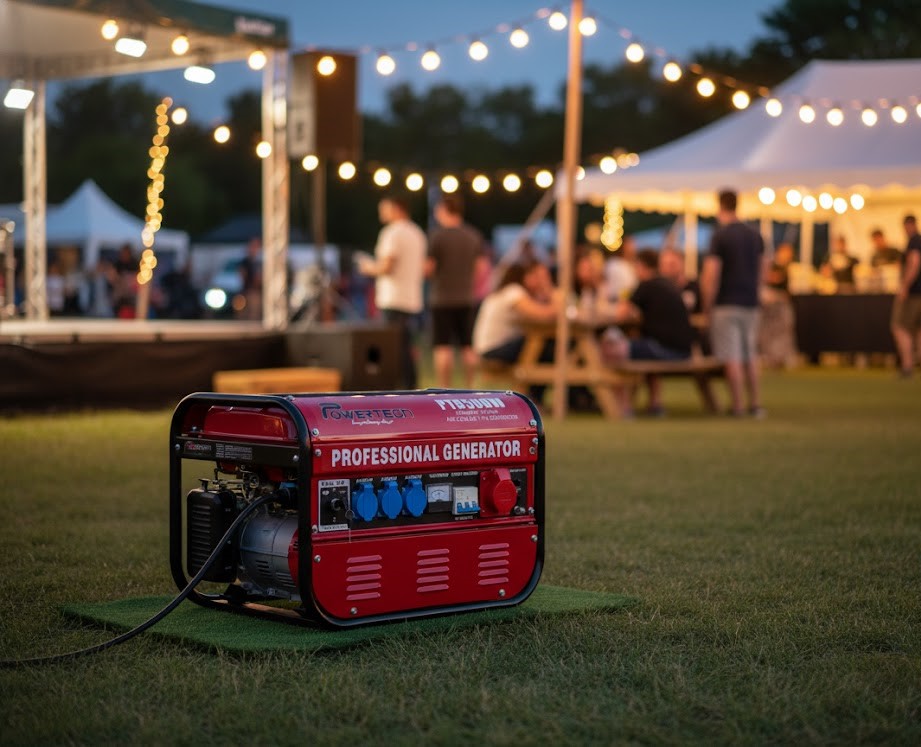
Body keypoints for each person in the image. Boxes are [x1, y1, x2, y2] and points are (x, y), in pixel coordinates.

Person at [601, 249, 695, 416]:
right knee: (641, 348)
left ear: (640, 266)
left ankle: (623, 406)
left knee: (611, 350)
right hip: (684, 349)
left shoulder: (646, 285)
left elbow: (620, 313)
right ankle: (654, 403)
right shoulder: (666, 284)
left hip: (667, 350)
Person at [700, 189, 766, 417]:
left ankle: (737, 405)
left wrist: (707, 306)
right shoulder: (755, 235)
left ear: (720, 206)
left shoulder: (720, 236)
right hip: (751, 303)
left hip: (726, 303)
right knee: (751, 355)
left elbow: (711, 275)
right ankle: (755, 403)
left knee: (732, 356)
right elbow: (763, 271)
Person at [358, 194, 426, 389]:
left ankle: (399, 387)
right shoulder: (417, 232)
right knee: (406, 346)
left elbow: (387, 266)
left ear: (396, 209)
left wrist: (368, 268)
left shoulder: (392, 233)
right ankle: (410, 386)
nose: (381, 213)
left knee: (394, 348)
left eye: (384, 209)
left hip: (393, 298)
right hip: (411, 297)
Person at [426, 194, 486, 388]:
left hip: (441, 298)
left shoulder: (437, 236)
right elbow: (481, 268)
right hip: (467, 298)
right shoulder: (473, 235)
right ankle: (470, 388)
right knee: (468, 347)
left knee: (443, 347)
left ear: (444, 209)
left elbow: (428, 268)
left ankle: (444, 389)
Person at [892, 214, 921, 378]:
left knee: (899, 327)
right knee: (918, 329)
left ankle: (907, 366)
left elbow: (914, 263)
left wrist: (904, 286)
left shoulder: (914, 241)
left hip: (914, 293)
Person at [603, 235, 638, 301]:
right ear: (623, 247)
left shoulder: (634, 265)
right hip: (615, 300)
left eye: (633, 245)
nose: (633, 248)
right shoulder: (613, 264)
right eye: (630, 245)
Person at [237, 237, 262, 320]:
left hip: (256, 291)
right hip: (249, 290)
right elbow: (242, 274)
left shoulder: (258, 261)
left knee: (254, 313)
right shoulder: (246, 261)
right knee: (247, 313)